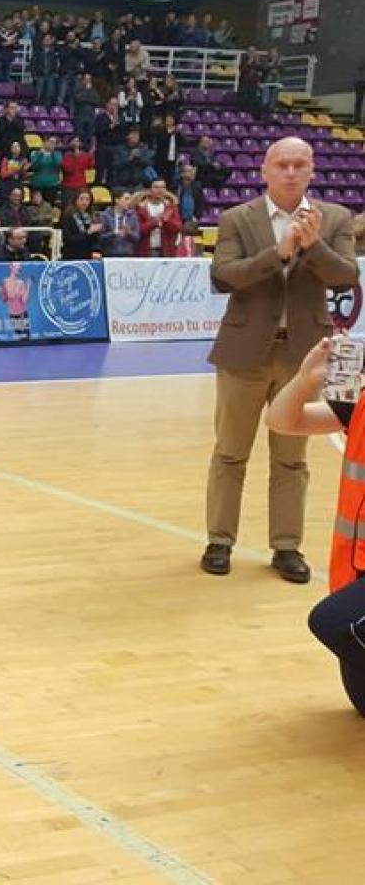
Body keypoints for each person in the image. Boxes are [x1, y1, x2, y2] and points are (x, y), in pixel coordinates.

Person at [202, 137, 359, 582]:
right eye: (282, 164)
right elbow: (224, 275)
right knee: (230, 452)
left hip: (303, 355)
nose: (291, 172)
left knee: (292, 457)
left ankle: (287, 547)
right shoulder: (237, 218)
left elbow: (345, 275)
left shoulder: (334, 218)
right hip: (244, 352)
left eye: (299, 164)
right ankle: (219, 540)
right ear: (264, 171)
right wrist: (281, 253)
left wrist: (312, 247)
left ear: (312, 170)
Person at [271, 328, 365, 716]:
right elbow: (282, 420)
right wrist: (306, 379)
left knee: (331, 622)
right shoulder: (359, 392)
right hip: (355, 570)